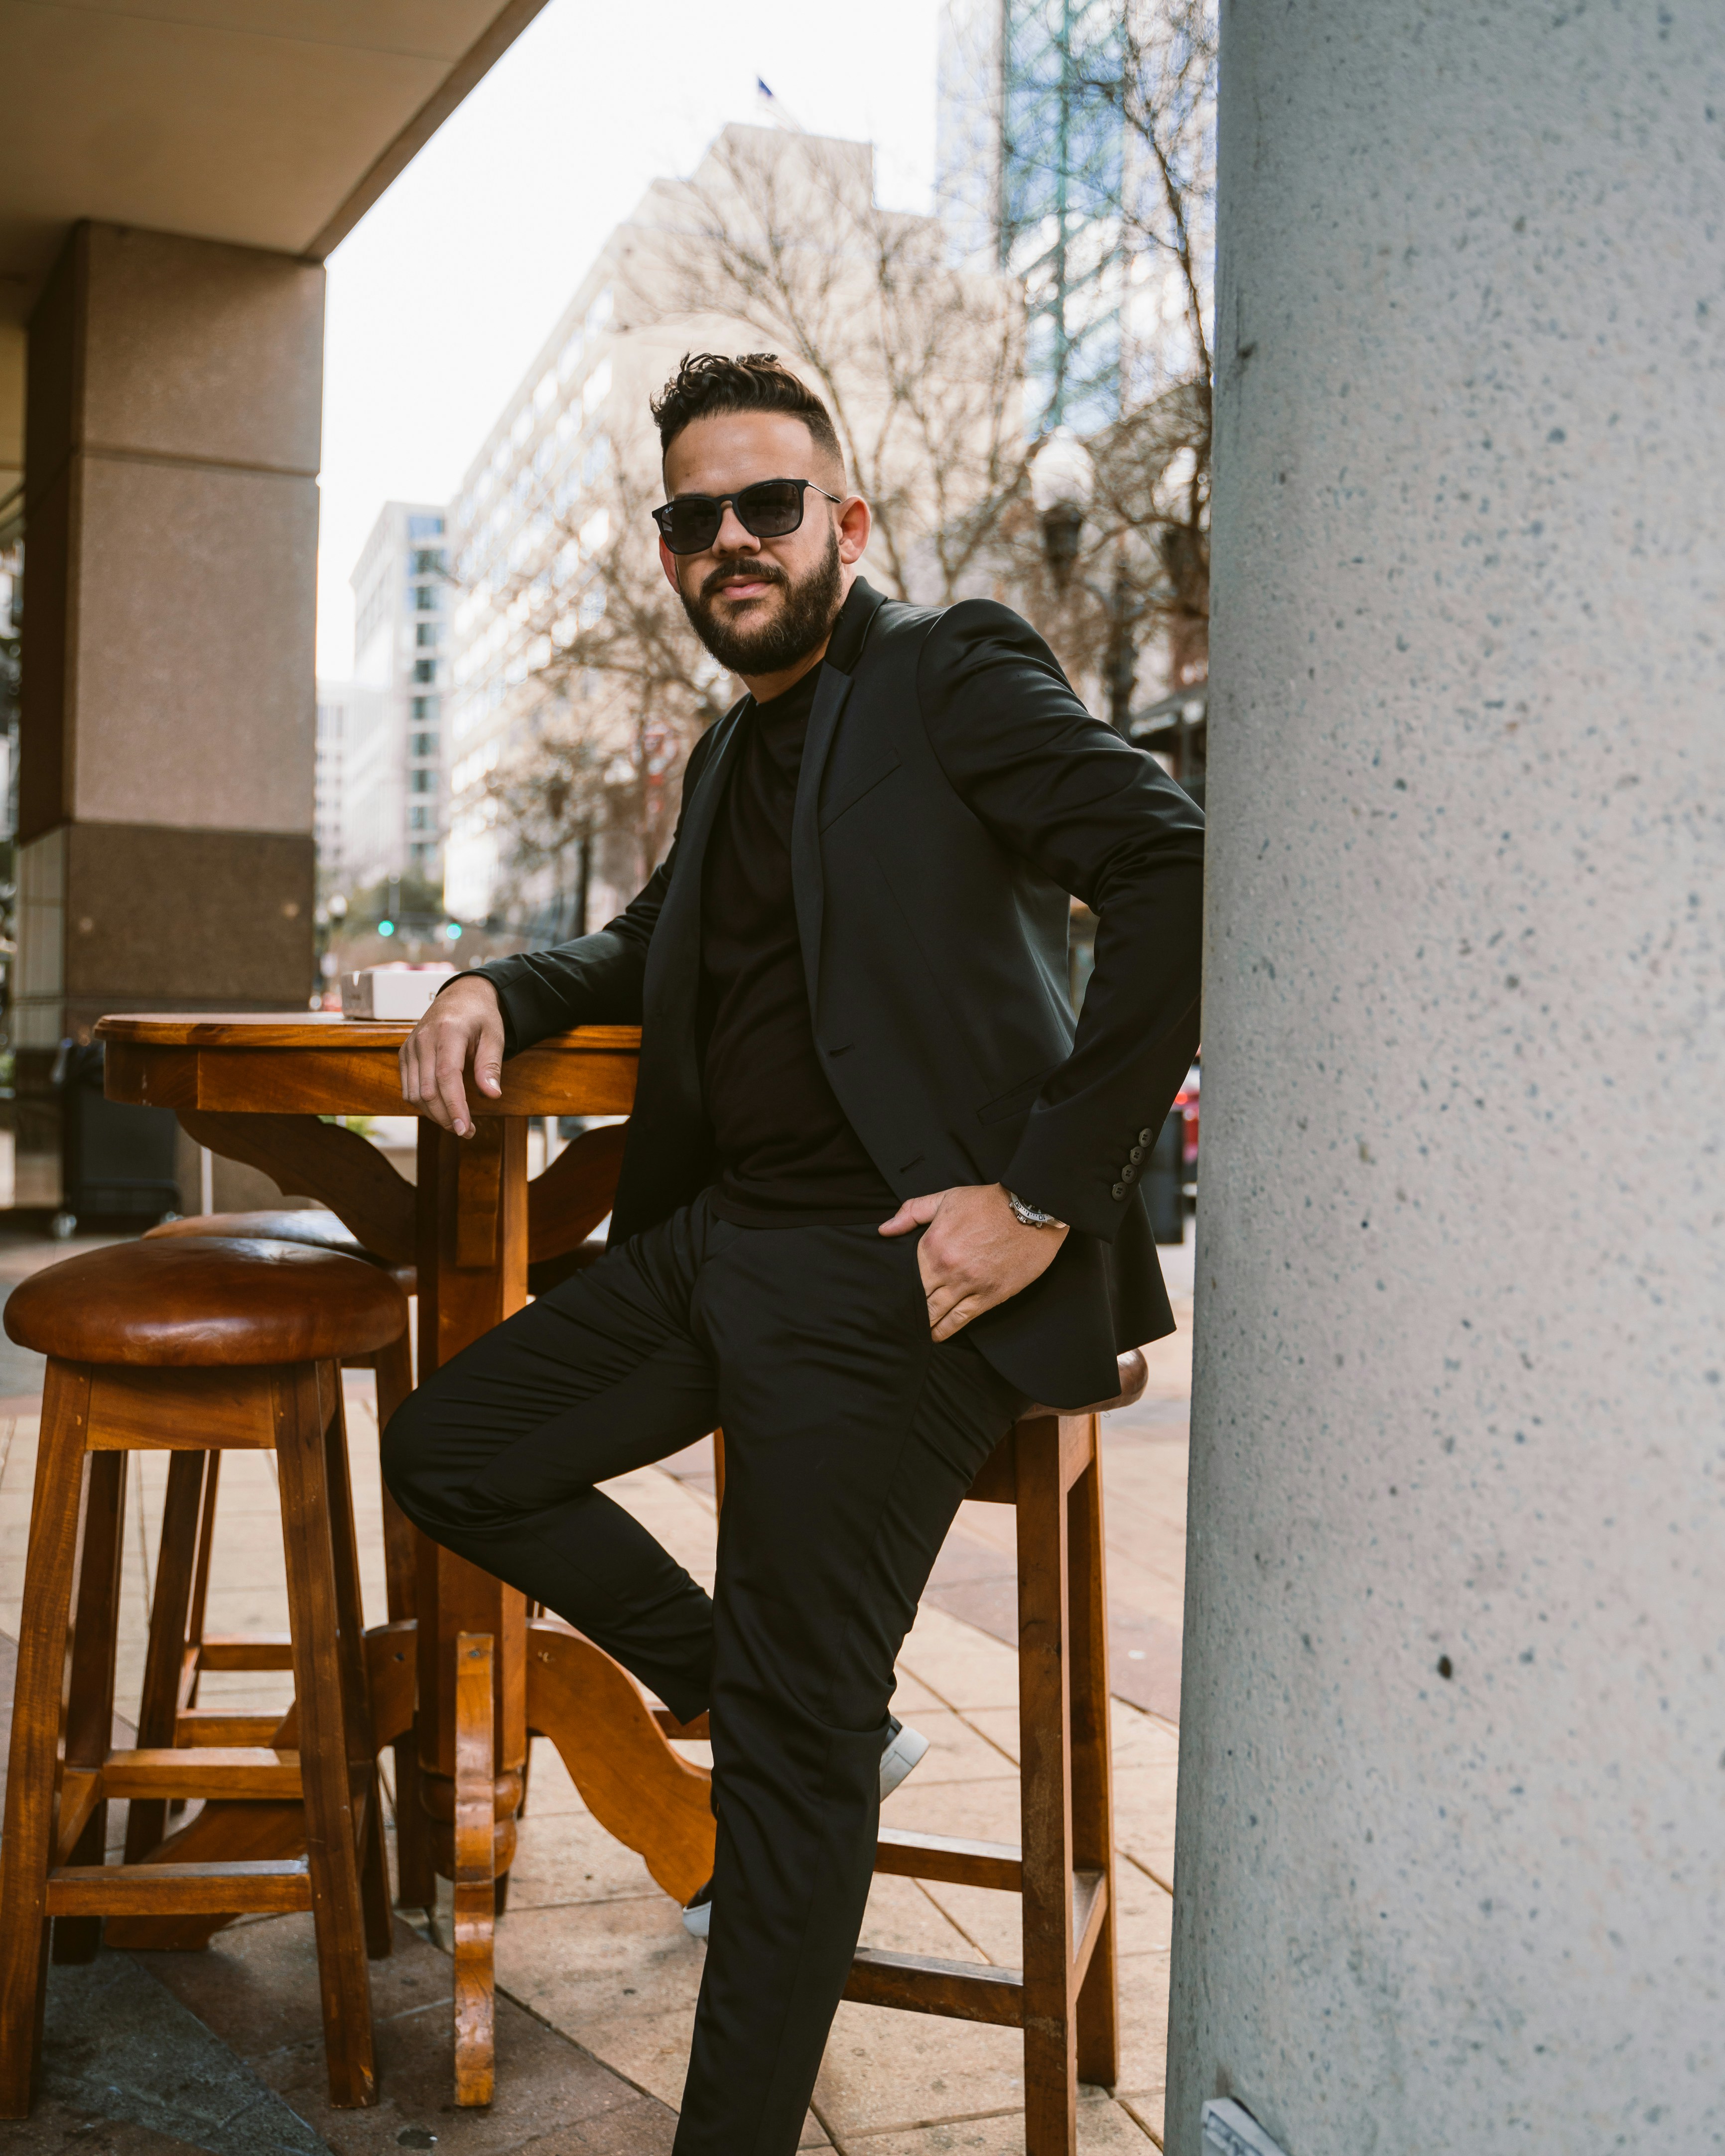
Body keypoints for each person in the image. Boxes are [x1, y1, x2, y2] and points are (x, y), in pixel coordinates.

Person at [383, 351, 1204, 2156]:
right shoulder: (736, 746)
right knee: (450, 1445)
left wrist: (1044, 1191)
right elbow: (645, 942)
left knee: (788, 1764)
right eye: (698, 518)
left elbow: (1175, 865)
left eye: (770, 505)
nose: (734, 540)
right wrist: (488, 981)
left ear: (845, 519)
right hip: (719, 1244)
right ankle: (737, 1673)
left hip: (896, 1270)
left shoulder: (948, 671)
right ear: (672, 554)